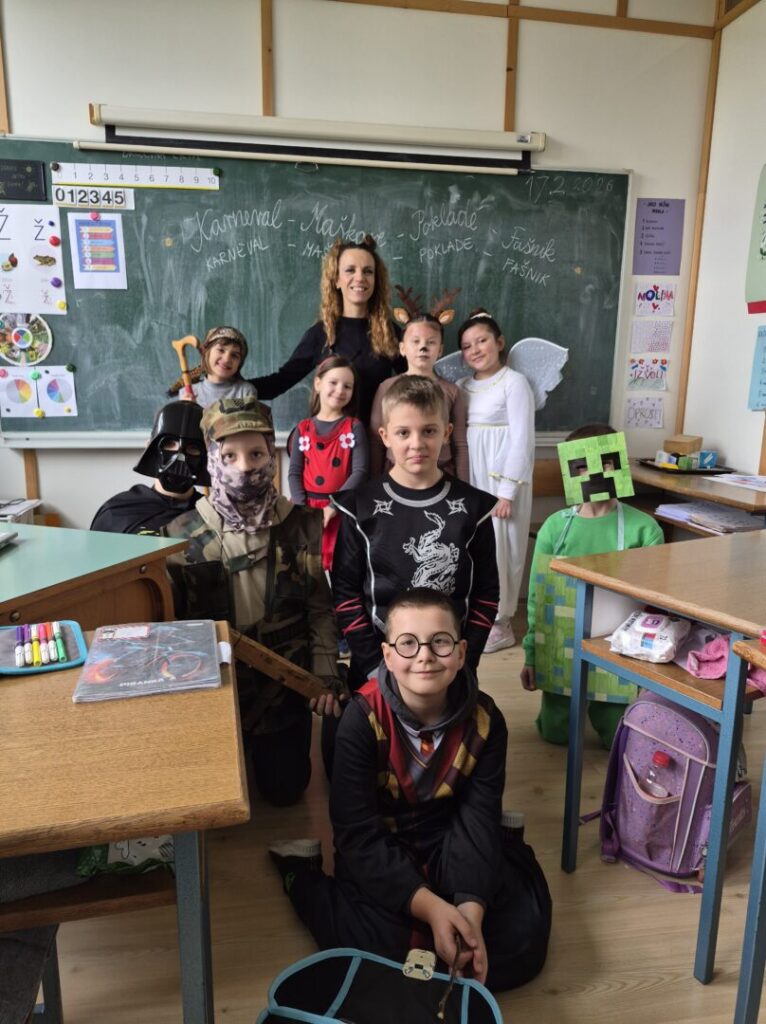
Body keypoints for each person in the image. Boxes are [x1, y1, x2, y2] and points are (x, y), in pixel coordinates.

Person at [268, 588, 551, 993]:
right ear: (386, 655)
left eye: (440, 642)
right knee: (372, 955)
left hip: (451, 837)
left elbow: (475, 819)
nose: (425, 656)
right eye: (407, 643)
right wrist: (433, 910)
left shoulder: (486, 720)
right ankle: (301, 870)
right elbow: (357, 835)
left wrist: (469, 917)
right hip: (384, 843)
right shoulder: (359, 720)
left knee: (521, 943)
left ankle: (508, 846)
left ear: (461, 652)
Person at [163, 396, 342, 806]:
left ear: (272, 456)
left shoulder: (303, 524)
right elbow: (173, 631)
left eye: (256, 454)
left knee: (286, 792)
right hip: (216, 693)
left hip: (283, 689)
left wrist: (325, 673)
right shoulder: (179, 535)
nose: (245, 467)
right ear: (212, 459)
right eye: (230, 455)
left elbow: (320, 610)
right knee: (213, 795)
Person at [332, 375, 498, 692]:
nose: (417, 443)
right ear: (385, 436)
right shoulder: (359, 507)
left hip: (449, 665)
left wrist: (466, 660)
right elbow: (345, 594)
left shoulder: (474, 508)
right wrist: (373, 666)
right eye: (403, 432)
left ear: (447, 433)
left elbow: (486, 594)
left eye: (429, 431)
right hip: (375, 665)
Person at [520, 424, 664, 748]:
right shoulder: (554, 529)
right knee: (555, 733)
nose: (595, 473)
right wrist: (532, 655)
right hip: (561, 642)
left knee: (616, 739)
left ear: (619, 464)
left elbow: (654, 605)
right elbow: (537, 598)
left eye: (606, 462)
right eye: (582, 465)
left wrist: (646, 670)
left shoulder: (644, 530)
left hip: (617, 645)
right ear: (570, 471)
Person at [248, 234, 401, 424]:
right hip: (332, 439)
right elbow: (280, 381)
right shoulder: (322, 334)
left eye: (368, 271)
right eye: (350, 270)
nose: (360, 278)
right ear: (336, 280)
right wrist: (229, 386)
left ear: (376, 280)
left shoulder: (389, 333)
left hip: (379, 438)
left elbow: (417, 381)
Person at [458, 309, 535, 654]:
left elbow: (522, 440)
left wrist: (506, 492)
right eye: (467, 346)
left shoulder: (514, 383)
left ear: (499, 342)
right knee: (474, 546)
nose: (475, 350)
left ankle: (501, 622)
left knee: (503, 548)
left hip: (502, 478)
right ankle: (476, 613)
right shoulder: (462, 387)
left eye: (482, 341)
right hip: (472, 477)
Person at [288, 355, 368, 573]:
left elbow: (360, 472)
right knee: (305, 569)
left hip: (340, 509)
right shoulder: (303, 428)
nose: (340, 390)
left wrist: (333, 506)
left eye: (347, 386)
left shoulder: (354, 427)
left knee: (340, 568)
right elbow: (294, 473)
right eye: (333, 382)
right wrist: (302, 510)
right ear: (318, 384)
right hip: (307, 509)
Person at [368, 313, 469, 481]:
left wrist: (464, 486)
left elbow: (460, 445)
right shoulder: (386, 388)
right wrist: (375, 483)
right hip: (396, 474)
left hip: (442, 475)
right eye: (415, 341)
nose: (423, 347)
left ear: (440, 350)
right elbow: (376, 440)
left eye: (431, 342)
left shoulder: (452, 391)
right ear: (402, 348)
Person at [90, 400, 209, 535]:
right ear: (149, 448)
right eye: (169, 444)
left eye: (193, 448)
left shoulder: (213, 515)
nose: (179, 457)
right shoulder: (116, 513)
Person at [167, 325, 257, 406]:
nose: (226, 359)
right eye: (221, 350)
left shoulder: (245, 392)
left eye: (234, 355)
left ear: (240, 363)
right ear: (207, 353)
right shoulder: (186, 393)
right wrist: (186, 409)